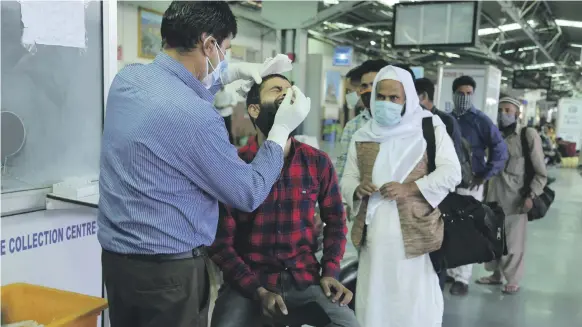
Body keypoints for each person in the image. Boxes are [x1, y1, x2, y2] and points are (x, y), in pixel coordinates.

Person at [98, 2, 310, 327]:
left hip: (119, 266)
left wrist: (228, 73)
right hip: (169, 277)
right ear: (208, 44)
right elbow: (248, 192)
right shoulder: (198, 119)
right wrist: (280, 131)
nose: (224, 59)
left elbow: (180, 88)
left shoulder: (128, 81)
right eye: (225, 50)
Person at [210, 74, 359, 327]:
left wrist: (330, 271)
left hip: (304, 278)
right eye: (276, 90)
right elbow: (221, 243)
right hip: (250, 281)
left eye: (290, 91)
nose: (286, 96)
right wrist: (257, 290)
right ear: (255, 110)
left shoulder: (316, 162)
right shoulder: (235, 165)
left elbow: (335, 220)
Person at [340, 66, 461, 327]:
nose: (386, 103)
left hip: (415, 239)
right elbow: (347, 178)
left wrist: (410, 188)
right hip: (374, 241)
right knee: (374, 302)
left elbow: (452, 173)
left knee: (413, 305)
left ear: (408, 98)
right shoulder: (363, 134)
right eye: (380, 97)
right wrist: (356, 189)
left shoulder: (429, 126)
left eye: (394, 98)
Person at [477, 97, 547, 294]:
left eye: (508, 110)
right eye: (501, 110)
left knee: (513, 242)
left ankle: (513, 280)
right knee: (492, 238)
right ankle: (495, 275)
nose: (503, 114)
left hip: (515, 198)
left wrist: (531, 195)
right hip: (492, 196)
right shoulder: (494, 134)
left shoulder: (527, 135)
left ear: (517, 113)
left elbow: (540, 171)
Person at [447, 75, 508, 296]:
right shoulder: (446, 119)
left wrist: (485, 175)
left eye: (469, 94)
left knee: (466, 230)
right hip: (446, 184)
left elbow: (501, 151)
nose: (464, 98)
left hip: (470, 184)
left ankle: (462, 279)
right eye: (460, 93)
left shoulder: (481, 120)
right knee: (448, 229)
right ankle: (451, 272)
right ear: (453, 94)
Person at [336, 59, 388, 184]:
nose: (369, 90)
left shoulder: (406, 123)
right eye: (364, 86)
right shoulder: (353, 126)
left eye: (374, 84)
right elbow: (342, 165)